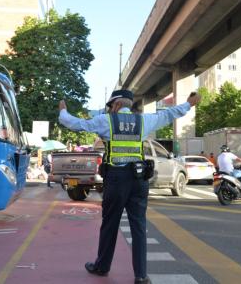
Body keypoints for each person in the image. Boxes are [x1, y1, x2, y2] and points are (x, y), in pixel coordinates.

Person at [58, 89, 201, 284]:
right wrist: (188, 104)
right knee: (139, 226)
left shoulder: (105, 121)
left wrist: (63, 111)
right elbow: (168, 114)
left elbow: (75, 123)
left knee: (110, 224)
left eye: (110, 107)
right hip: (139, 178)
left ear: (115, 104)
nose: (110, 110)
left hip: (117, 179)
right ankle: (141, 276)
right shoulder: (144, 121)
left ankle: (102, 266)